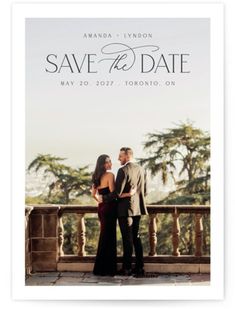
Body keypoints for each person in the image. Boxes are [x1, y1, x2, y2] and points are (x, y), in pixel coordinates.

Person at [99, 147, 148, 277]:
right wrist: (132, 195)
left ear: (127, 156)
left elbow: (116, 193)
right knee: (137, 238)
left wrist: (103, 198)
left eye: (120, 156)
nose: (118, 159)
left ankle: (126, 268)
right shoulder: (141, 169)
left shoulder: (123, 170)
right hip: (138, 209)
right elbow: (145, 191)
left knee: (127, 240)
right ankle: (140, 267)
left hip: (125, 210)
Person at [91, 154, 136, 276]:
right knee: (109, 237)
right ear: (103, 164)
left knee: (104, 235)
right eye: (108, 162)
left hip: (101, 209)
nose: (111, 164)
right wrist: (129, 194)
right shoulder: (110, 175)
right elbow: (114, 193)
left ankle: (100, 268)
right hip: (110, 209)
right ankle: (108, 268)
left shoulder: (95, 176)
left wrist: (100, 201)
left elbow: (93, 194)